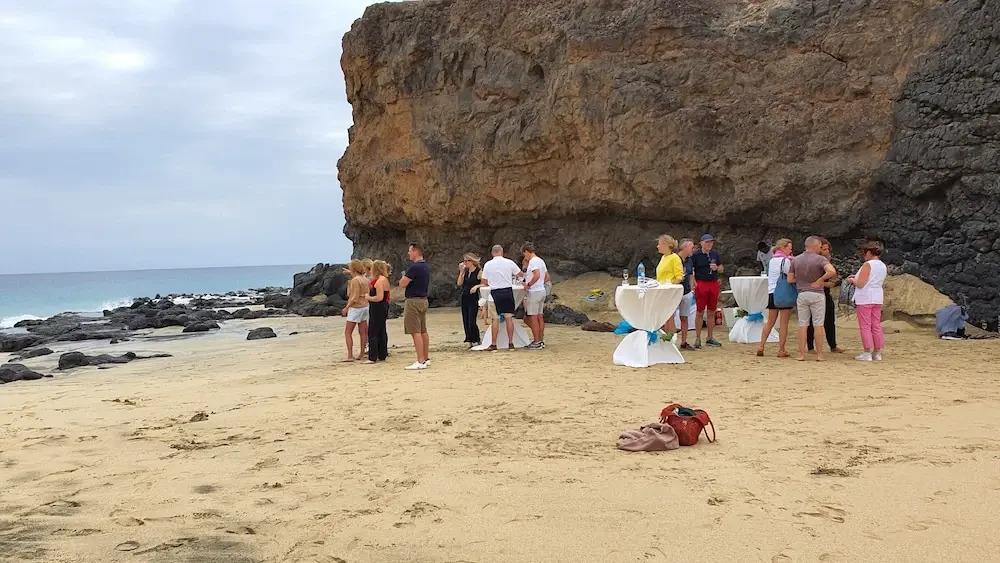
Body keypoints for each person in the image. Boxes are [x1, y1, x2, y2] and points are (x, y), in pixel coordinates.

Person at [787, 236, 837, 361]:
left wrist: (802, 281)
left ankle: (801, 354)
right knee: (818, 325)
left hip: (802, 294)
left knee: (803, 325)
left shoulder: (796, 260)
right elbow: (832, 271)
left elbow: (790, 279)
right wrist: (820, 280)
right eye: (820, 246)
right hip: (817, 294)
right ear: (815, 246)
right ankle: (820, 355)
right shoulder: (820, 259)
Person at [848, 241, 887, 362]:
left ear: (869, 253)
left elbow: (860, 284)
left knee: (865, 326)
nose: (864, 256)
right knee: (876, 325)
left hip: (865, 298)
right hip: (877, 297)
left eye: (865, 253)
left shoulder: (868, 265)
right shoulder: (882, 265)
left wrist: (852, 280)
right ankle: (877, 352)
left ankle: (867, 352)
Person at [481, 244, 523, 351]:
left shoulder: (488, 264)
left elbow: (484, 281)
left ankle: (494, 344)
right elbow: (520, 274)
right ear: (502, 252)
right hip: (507, 292)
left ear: (492, 253)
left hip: (494, 293)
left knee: (495, 319)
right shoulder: (509, 262)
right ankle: (511, 343)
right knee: (509, 318)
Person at [757, 239, 794, 358]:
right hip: (783, 293)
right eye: (789, 248)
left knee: (770, 322)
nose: (791, 250)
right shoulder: (786, 261)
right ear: (783, 247)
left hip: (772, 293)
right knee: (783, 323)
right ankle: (781, 349)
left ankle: (761, 345)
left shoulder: (772, 260)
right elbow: (790, 275)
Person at [806, 238, 844, 353]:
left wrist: (826, 283)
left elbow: (836, 280)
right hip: (815, 293)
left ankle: (833, 345)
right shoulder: (814, 262)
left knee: (829, 320)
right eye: (823, 249)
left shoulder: (829, 262)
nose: (826, 251)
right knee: (812, 322)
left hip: (825, 294)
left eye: (828, 249)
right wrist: (825, 283)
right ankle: (810, 347)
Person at [399, 243, 431, 370]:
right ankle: (426, 358)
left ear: (416, 251)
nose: (408, 253)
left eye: (410, 251)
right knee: (423, 330)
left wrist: (403, 277)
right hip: (423, 300)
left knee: (415, 331)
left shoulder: (414, 268)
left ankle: (420, 360)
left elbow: (402, 284)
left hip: (413, 301)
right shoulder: (425, 266)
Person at [691, 234, 724, 348]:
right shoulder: (696, 255)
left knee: (711, 311)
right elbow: (692, 270)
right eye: (707, 242)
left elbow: (721, 268)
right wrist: (694, 283)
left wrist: (717, 268)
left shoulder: (715, 254)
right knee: (699, 311)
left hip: (713, 283)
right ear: (701, 243)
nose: (709, 244)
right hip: (701, 283)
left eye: (711, 242)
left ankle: (710, 337)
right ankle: (698, 337)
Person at [654, 235, 684, 337]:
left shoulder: (674, 258)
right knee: (664, 316)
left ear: (665, 245)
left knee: (669, 315)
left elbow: (679, 277)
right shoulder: (663, 257)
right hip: (661, 291)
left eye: (659, 244)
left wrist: (669, 285)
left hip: (669, 292)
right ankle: (667, 338)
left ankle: (670, 338)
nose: (657, 246)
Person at [340, 259, 370, 362]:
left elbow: (354, 297)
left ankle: (350, 355)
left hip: (356, 307)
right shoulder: (365, 279)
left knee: (348, 332)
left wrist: (347, 307)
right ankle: (362, 353)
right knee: (363, 332)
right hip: (365, 306)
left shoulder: (355, 281)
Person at [521, 243, 548, 349]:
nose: (525, 257)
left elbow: (536, 274)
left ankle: (536, 341)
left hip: (534, 291)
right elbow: (545, 276)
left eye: (524, 255)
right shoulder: (541, 260)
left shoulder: (533, 261)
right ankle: (540, 340)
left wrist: (529, 284)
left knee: (533, 316)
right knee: (540, 316)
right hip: (541, 290)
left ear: (526, 251)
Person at [364, 260, 391, 363]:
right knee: (381, 330)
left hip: (378, 307)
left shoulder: (380, 281)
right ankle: (382, 354)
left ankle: (372, 357)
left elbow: (379, 297)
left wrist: (368, 297)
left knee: (373, 331)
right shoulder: (384, 279)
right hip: (383, 306)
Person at [457, 253, 483, 348]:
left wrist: (476, 286)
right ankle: (470, 339)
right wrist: (461, 272)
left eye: (466, 261)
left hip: (473, 298)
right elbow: (459, 283)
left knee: (472, 320)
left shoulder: (479, 272)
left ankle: (476, 338)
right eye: (464, 261)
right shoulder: (466, 272)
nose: (464, 263)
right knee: (465, 319)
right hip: (465, 297)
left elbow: (485, 283)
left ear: (472, 261)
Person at [676, 238, 696, 350]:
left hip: (686, 292)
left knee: (684, 317)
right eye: (691, 247)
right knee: (669, 317)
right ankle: (668, 340)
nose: (693, 249)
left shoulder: (689, 260)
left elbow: (691, 274)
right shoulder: (675, 259)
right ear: (684, 247)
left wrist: (692, 288)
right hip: (675, 292)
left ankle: (684, 342)